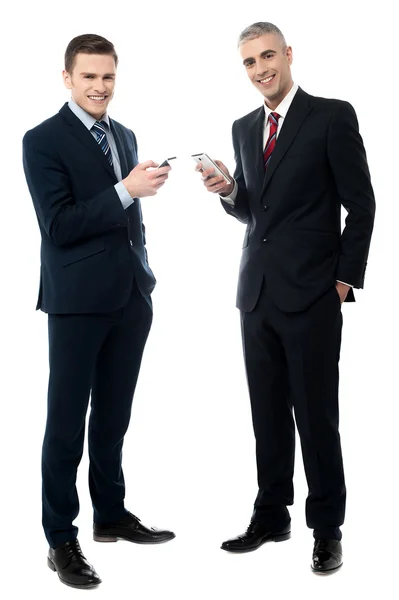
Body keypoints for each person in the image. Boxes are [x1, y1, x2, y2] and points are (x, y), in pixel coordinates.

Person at [196, 21, 375, 573]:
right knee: (266, 414)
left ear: (288, 54)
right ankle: (271, 514)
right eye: (249, 62)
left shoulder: (331, 116)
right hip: (256, 294)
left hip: (314, 295)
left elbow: (362, 205)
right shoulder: (244, 126)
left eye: (267, 56)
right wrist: (229, 191)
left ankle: (326, 528)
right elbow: (258, 211)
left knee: (316, 417)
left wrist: (343, 280)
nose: (260, 70)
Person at [23, 33, 175, 589]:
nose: (100, 87)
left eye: (108, 76)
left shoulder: (125, 135)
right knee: (65, 424)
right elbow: (57, 225)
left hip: (131, 297)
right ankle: (61, 538)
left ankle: (110, 514)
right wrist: (124, 191)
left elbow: (130, 215)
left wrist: (137, 199)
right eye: (88, 76)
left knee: (113, 418)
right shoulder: (41, 140)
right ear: (68, 78)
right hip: (76, 302)